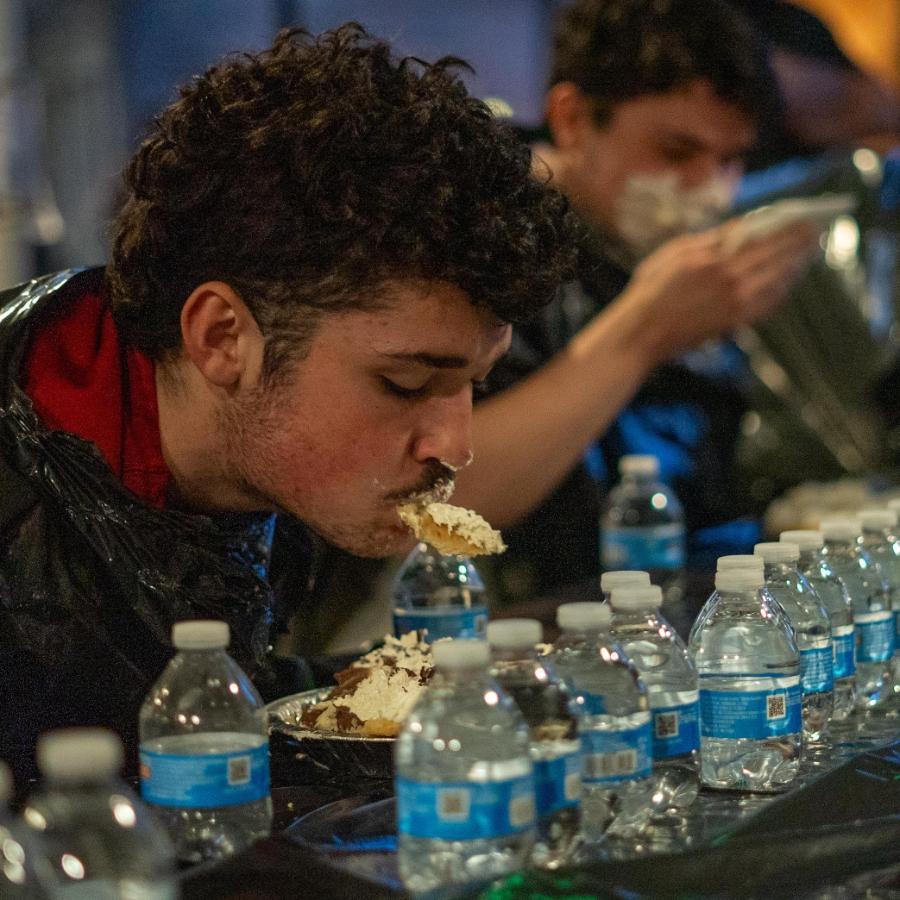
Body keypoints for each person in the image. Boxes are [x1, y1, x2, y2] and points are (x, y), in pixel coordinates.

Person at [0, 23, 577, 782]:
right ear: (222, 338)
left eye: (477, 381)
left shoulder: (243, 454)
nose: (455, 444)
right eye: (403, 384)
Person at [451, 0, 821, 600]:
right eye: (676, 153)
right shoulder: (476, 231)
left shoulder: (656, 245)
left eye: (730, 160)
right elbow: (446, 501)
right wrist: (646, 329)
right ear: (571, 119)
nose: (709, 191)